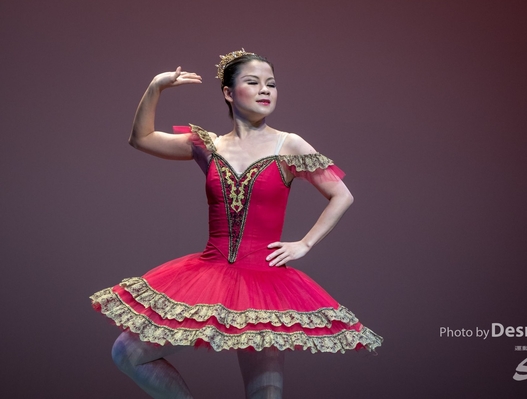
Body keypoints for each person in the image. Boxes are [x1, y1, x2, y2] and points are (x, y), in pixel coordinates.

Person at [90, 49, 382, 398]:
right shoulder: (208, 146)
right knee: (127, 353)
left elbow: (342, 195)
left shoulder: (289, 144)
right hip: (210, 274)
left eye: (271, 84)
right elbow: (142, 138)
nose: (265, 90)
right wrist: (156, 86)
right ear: (229, 93)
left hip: (265, 285)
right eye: (253, 82)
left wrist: (304, 243)